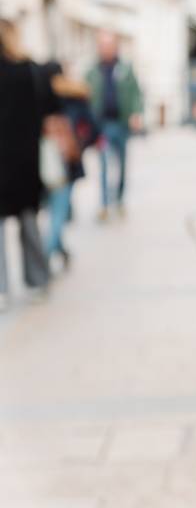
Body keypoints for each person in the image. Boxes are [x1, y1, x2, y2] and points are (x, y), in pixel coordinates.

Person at [0, 19, 54, 308]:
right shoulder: (31, 71)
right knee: (29, 223)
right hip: (25, 159)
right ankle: (37, 279)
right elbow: (50, 107)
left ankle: (1, 288)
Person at [85, 30, 144, 221]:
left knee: (122, 165)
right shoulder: (92, 71)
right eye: (102, 45)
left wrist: (136, 114)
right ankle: (103, 204)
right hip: (102, 126)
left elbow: (137, 94)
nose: (105, 49)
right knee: (103, 165)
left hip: (121, 124)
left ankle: (118, 200)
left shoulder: (125, 68)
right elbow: (85, 97)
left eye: (109, 45)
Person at [45, 64, 99, 269]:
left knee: (55, 214)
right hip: (66, 164)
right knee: (58, 214)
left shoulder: (42, 98)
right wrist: (80, 145)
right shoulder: (77, 97)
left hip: (47, 164)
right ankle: (53, 252)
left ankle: (47, 256)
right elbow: (93, 128)